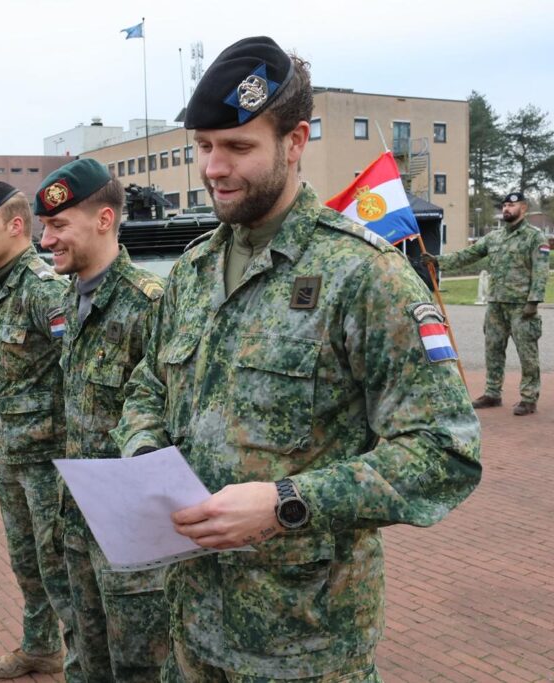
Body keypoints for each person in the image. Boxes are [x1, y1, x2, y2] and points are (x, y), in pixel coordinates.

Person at [111, 37, 482, 681]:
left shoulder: (363, 275)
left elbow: (444, 453)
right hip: (193, 628)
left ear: (296, 141)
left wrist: (287, 503)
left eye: (238, 146)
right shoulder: (193, 271)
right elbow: (148, 385)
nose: (213, 168)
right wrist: (145, 455)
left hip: (305, 645)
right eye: (203, 145)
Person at [36, 158, 169, 682]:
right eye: (44, 227)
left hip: (136, 536)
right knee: (87, 661)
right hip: (78, 523)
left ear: (104, 219)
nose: (46, 240)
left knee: (141, 667)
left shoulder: (149, 305)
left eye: (58, 225)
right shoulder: (70, 299)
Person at [0, 182, 80, 680]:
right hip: (12, 456)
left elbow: (76, 368)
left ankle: (85, 660)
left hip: (48, 460)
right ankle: (40, 647)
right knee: (27, 563)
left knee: (59, 567)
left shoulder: (43, 288)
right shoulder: (0, 284)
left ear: (16, 226)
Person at [423, 191, 549, 415]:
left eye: (512, 205)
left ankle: (529, 398)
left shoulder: (534, 237)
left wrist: (534, 300)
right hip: (495, 304)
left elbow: (540, 271)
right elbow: (468, 254)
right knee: (493, 350)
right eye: (505, 205)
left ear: (524, 208)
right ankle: (492, 393)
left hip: (521, 305)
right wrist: (438, 261)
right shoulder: (494, 238)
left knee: (527, 354)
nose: (507, 209)